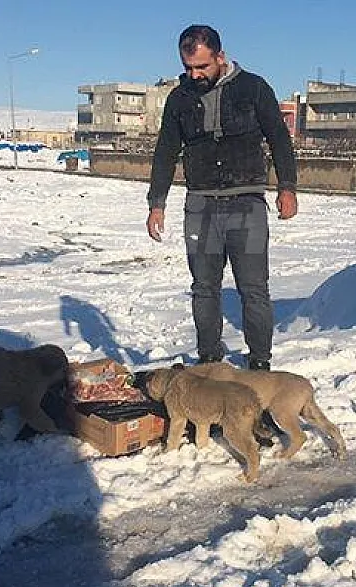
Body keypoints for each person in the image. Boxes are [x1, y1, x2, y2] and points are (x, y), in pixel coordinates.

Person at [145, 24, 298, 371]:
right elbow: (166, 151)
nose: (194, 75)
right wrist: (157, 203)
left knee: (254, 289)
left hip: (247, 203)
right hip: (200, 205)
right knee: (204, 289)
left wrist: (286, 187)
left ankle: (259, 366)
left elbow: (278, 137)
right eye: (188, 68)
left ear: (220, 57)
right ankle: (209, 365)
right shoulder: (179, 98)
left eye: (202, 67)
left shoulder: (253, 88)